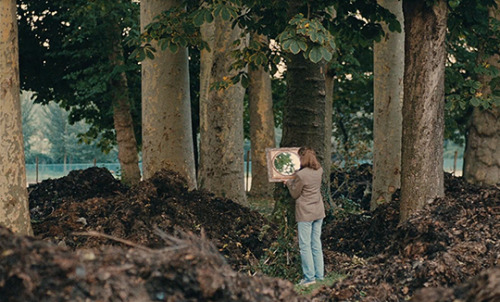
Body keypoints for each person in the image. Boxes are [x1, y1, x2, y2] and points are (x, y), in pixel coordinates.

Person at [285, 146, 325, 286]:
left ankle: (309, 278)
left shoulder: (301, 175)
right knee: (316, 244)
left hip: (305, 213)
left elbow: (295, 194)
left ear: (303, 158)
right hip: (318, 211)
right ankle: (319, 276)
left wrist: (289, 182)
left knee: (305, 246)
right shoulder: (319, 170)